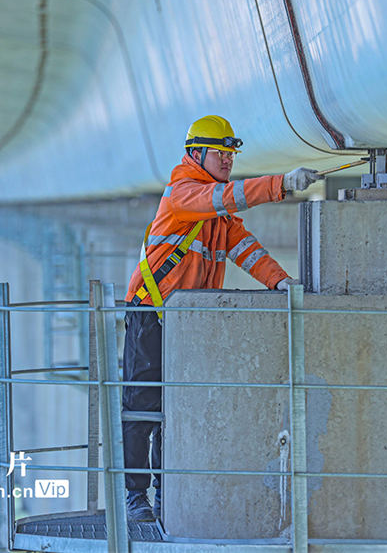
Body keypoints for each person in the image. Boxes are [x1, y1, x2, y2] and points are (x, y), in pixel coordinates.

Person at [122, 114, 320, 521]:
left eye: (231, 154)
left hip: (188, 320)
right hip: (152, 314)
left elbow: (245, 247)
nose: (228, 160)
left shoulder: (217, 213)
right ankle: (135, 497)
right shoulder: (183, 194)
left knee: (174, 407)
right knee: (143, 406)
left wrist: (279, 282)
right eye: (220, 153)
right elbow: (227, 198)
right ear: (196, 154)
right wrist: (281, 184)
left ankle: (164, 493)